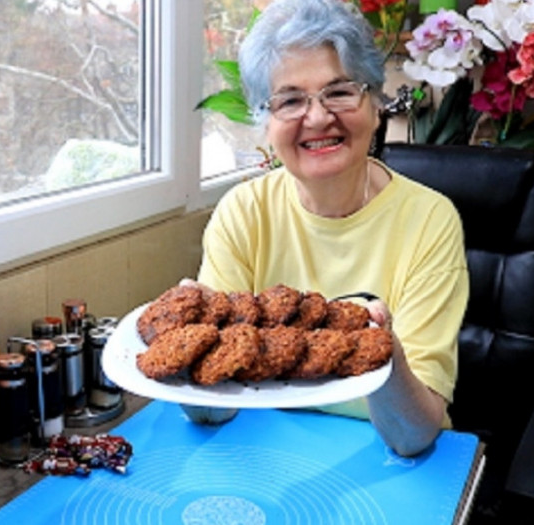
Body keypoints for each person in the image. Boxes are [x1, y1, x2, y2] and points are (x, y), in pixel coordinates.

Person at [193, 0, 469, 457]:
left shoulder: (429, 222)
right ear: (266, 123)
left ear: (375, 105)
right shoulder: (242, 213)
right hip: (258, 448)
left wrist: (383, 348)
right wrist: (195, 350)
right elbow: (211, 413)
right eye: (290, 100)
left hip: (385, 455)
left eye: (340, 92)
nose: (318, 117)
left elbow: (412, 435)